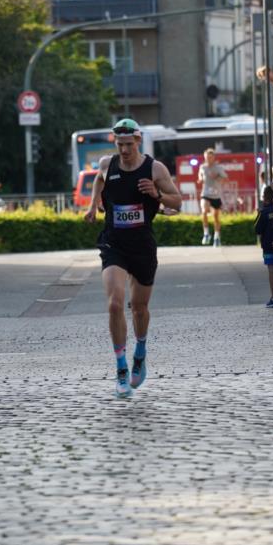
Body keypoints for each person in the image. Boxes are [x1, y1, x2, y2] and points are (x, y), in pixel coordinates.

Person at [84, 118, 182, 400]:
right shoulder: (107, 164)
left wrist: (157, 194)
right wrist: (93, 207)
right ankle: (121, 370)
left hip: (142, 246)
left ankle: (140, 350)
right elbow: (98, 183)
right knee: (115, 304)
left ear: (138, 142)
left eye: (129, 145)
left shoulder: (154, 168)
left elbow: (177, 200)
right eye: (119, 145)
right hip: (113, 243)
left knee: (139, 308)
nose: (124, 150)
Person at [197, 148, 227, 247]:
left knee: (216, 217)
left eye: (210, 157)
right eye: (206, 157)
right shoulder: (203, 167)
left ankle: (217, 237)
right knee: (204, 211)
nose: (208, 159)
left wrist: (217, 177)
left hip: (216, 195)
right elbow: (200, 175)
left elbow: (225, 179)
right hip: (205, 194)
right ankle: (206, 233)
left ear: (213, 157)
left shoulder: (218, 168)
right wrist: (200, 179)